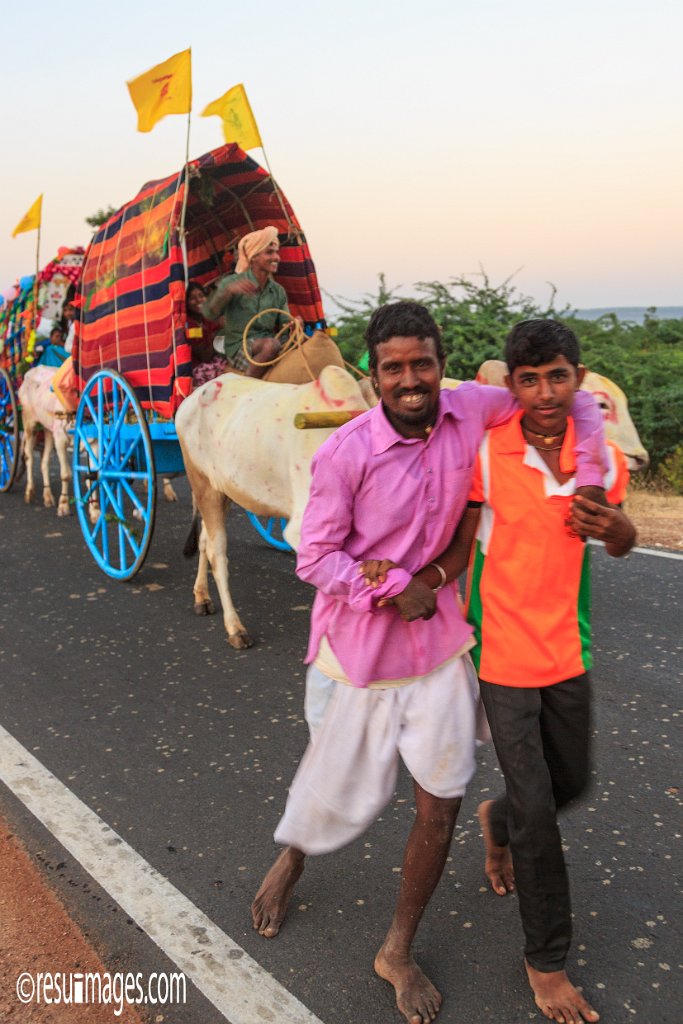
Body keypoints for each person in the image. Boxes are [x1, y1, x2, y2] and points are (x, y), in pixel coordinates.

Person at [250, 302, 609, 1024]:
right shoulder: (345, 451)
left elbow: (576, 399)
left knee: (438, 804)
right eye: (393, 367)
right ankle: (294, 856)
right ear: (373, 374)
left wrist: (593, 476)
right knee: (333, 779)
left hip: (440, 648)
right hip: (355, 651)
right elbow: (314, 555)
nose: (410, 380)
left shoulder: (471, 411)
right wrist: (384, 586)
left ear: (442, 365)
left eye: (422, 364)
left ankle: (396, 950)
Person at [365, 318, 635, 1024]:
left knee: (571, 782)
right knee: (541, 811)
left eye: (557, 376)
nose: (544, 392)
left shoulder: (597, 457)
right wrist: (408, 582)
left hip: (567, 650)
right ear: (510, 386)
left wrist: (616, 531)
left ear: (579, 380)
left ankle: (497, 822)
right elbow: (456, 537)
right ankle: (545, 962)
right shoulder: (489, 451)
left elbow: (621, 539)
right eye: (528, 379)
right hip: (503, 652)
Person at [200, 226, 291, 378]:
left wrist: (294, 324)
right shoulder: (231, 283)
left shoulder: (278, 291)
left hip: (269, 342)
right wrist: (227, 292)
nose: (276, 257)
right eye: (269, 252)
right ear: (254, 257)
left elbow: (285, 324)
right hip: (239, 346)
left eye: (277, 252)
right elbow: (209, 313)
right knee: (271, 345)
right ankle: (247, 385)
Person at [185, 281, 228, 387]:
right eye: (192, 298)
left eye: (201, 296)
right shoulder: (189, 325)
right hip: (199, 368)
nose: (199, 300)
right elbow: (205, 356)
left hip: (214, 361)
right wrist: (218, 331)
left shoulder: (206, 318)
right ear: (186, 303)